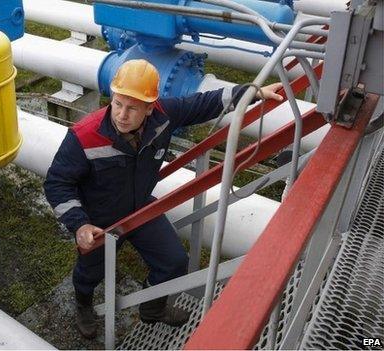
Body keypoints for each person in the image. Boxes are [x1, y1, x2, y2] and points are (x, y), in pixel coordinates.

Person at [43, 59, 283, 339]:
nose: (121, 115)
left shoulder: (164, 117)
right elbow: (57, 183)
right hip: (100, 221)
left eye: (132, 108)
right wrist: (80, 225)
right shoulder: (85, 137)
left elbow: (204, 103)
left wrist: (252, 92)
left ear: (150, 107)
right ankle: (83, 304)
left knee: (173, 261)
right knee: (90, 273)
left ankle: (152, 308)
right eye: (118, 103)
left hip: (140, 209)